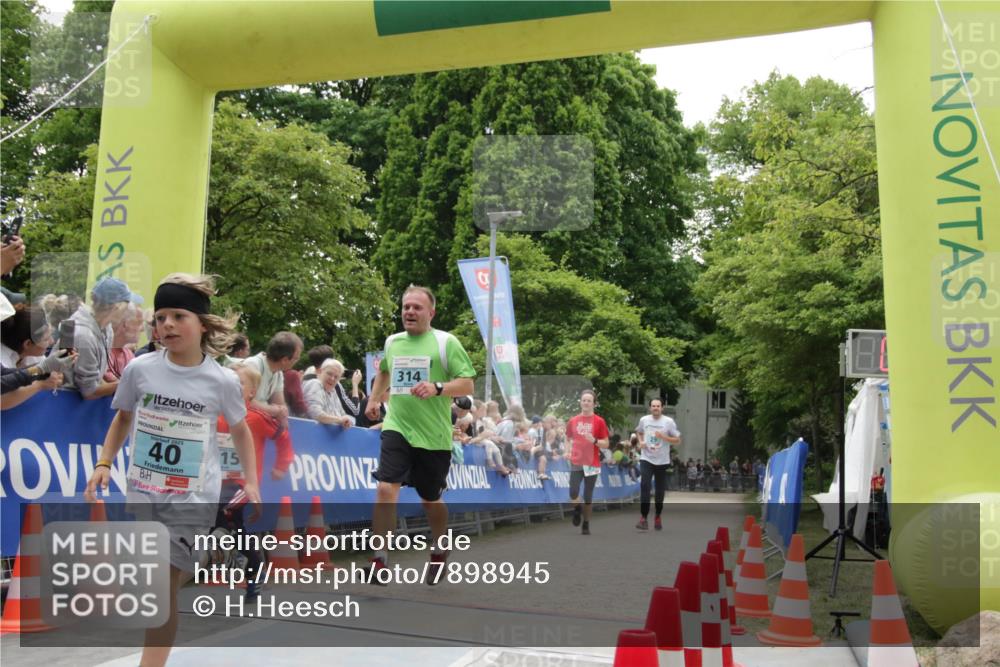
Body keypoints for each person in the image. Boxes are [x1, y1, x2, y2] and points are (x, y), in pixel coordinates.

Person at [85, 273, 260, 667]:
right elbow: (123, 418)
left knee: (160, 587)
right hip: (145, 491)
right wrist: (104, 462)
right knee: (156, 584)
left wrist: (251, 481)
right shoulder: (140, 369)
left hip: (193, 498)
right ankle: (201, 558)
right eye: (161, 317)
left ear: (202, 324)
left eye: (178, 316)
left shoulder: (221, 381)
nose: (167, 325)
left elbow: (241, 431)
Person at [364, 285, 475, 585]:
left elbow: (467, 384)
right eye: (405, 307)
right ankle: (379, 559)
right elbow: (384, 372)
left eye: (417, 307)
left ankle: (440, 548)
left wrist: (437, 387)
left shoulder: (445, 342)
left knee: (430, 500)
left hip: (433, 436)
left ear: (431, 312)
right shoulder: (392, 342)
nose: (409, 312)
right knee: (387, 488)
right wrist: (375, 399)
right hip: (398, 425)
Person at [67, 277, 144, 399]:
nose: (128, 311)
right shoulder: (83, 335)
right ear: (116, 307)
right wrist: (128, 383)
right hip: (63, 404)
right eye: (127, 305)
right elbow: (89, 392)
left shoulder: (107, 329)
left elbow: (97, 379)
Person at [565, 389, 610, 535]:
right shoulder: (573, 420)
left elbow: (606, 444)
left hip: (592, 463)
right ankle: (577, 509)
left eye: (589, 400)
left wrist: (595, 441)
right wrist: (567, 451)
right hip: (577, 461)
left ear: (594, 404)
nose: (586, 403)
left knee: (588, 495)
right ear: (580, 402)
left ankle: (586, 523)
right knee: (573, 491)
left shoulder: (599, 421)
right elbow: (567, 438)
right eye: (584, 400)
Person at [635, 398, 681, 531]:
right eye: (653, 406)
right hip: (646, 458)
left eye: (658, 406)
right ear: (650, 408)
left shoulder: (668, 422)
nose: (655, 408)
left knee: (660, 491)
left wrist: (663, 437)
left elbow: (677, 440)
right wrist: (641, 441)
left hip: (662, 460)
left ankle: (658, 516)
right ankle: (643, 518)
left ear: (662, 408)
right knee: (645, 485)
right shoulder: (644, 420)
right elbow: (639, 431)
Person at [242, 331, 302, 432]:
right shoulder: (253, 365)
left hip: (255, 427)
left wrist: (282, 412)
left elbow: (280, 404)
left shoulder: (278, 373)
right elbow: (243, 401)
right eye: (296, 358)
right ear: (285, 360)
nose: (297, 362)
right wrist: (273, 410)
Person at [302, 358, 354, 428]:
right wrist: (340, 420)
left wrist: (348, 420)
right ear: (320, 371)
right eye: (329, 374)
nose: (332, 378)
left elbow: (343, 415)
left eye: (336, 377)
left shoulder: (333, 391)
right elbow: (315, 413)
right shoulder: (315, 384)